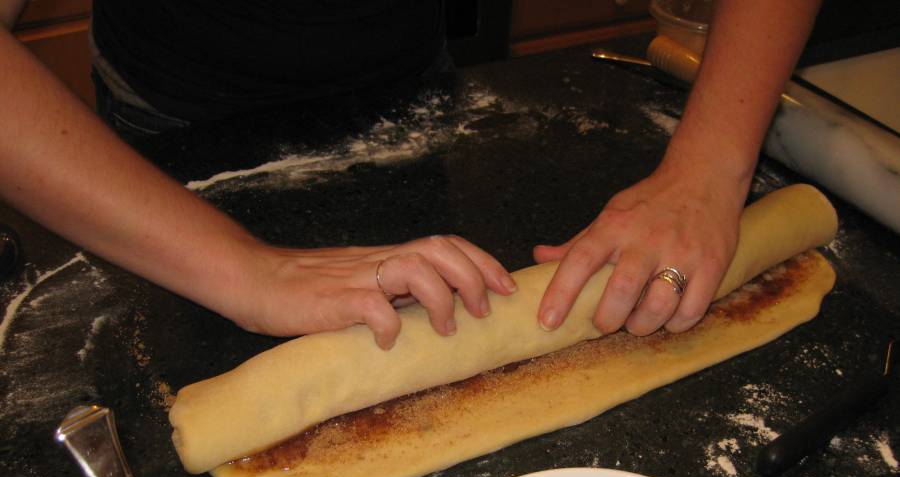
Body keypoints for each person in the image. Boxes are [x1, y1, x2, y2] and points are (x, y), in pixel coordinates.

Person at [0, 1, 821, 350]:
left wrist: (709, 168)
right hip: (161, 152)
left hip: (412, 93)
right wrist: (249, 271)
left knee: (428, 317)